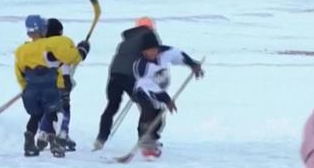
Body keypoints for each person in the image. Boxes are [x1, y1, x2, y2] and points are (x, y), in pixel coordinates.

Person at [14, 15, 89, 157]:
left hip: (31, 90)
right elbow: (71, 57)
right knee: (53, 113)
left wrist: (26, 88)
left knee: (35, 116)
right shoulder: (55, 43)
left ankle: (29, 142)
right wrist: (82, 50)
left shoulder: (22, 50)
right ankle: (55, 143)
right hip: (51, 88)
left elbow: (20, 74)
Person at [131, 31, 203, 157]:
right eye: (149, 51)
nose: (153, 53)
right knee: (148, 113)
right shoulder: (142, 67)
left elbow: (178, 55)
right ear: (143, 52)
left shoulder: (164, 53)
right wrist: (167, 100)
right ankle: (144, 140)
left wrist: (192, 64)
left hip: (161, 93)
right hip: (144, 92)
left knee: (159, 119)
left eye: (154, 49)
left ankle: (153, 139)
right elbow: (150, 88)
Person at [94, 16, 159, 150]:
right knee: (149, 105)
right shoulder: (149, 36)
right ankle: (146, 138)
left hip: (114, 75)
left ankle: (101, 138)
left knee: (112, 106)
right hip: (131, 77)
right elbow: (153, 58)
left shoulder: (126, 40)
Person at [36, 18, 81, 151]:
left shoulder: (39, 44)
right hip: (59, 84)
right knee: (64, 108)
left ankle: (43, 133)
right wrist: (82, 50)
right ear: (60, 31)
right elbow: (70, 58)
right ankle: (62, 134)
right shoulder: (62, 41)